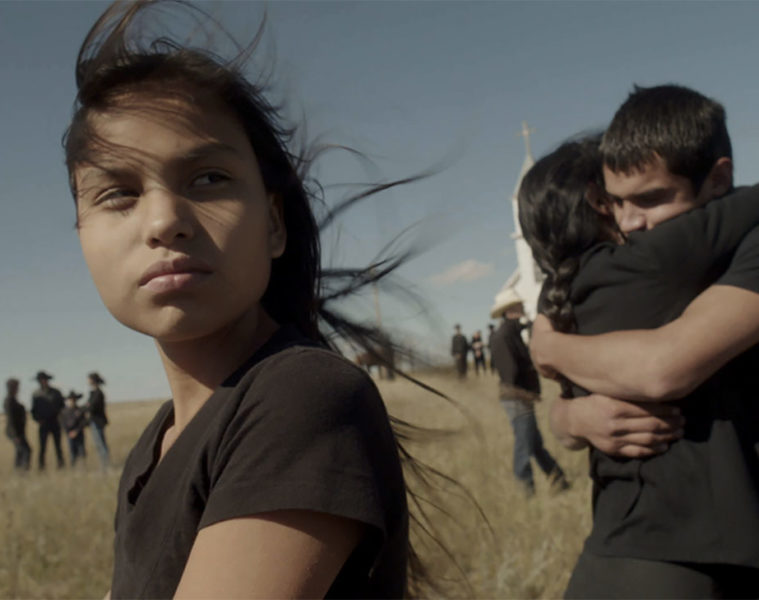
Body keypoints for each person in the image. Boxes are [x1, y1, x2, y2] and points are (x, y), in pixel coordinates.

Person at [62, 1, 435, 597]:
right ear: (80, 233)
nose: (163, 221)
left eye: (208, 179)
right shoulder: (156, 445)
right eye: (118, 193)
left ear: (274, 223)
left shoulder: (300, 396)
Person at [518, 86, 759, 596]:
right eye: (615, 203)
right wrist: (573, 417)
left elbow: (663, 367)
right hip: (658, 549)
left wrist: (551, 351)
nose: (629, 222)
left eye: (649, 199)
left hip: (663, 553)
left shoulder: (570, 289)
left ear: (718, 179)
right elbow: (571, 421)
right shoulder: (644, 263)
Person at [490, 292, 568, 496]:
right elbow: (510, 372)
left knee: (534, 444)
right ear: (510, 311)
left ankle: (558, 479)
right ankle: (527, 491)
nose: (523, 309)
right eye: (519, 307)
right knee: (525, 446)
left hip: (520, 396)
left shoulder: (512, 333)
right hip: (517, 397)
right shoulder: (504, 336)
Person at [31, 370, 65, 470]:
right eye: (40, 380)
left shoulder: (56, 392)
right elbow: (33, 410)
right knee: (42, 447)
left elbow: (62, 407)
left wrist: (60, 417)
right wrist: (37, 419)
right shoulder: (36, 394)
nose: (43, 381)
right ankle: (41, 467)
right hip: (43, 423)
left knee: (58, 446)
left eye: (44, 379)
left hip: (55, 422)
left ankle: (61, 466)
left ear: (47, 380)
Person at [4, 378, 31, 471]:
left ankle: (19, 471)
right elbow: (10, 420)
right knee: (25, 450)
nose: (18, 389)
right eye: (16, 387)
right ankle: (23, 471)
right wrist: (15, 435)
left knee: (20, 451)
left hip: (19, 432)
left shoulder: (13, 400)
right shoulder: (9, 401)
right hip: (15, 433)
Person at [85, 371, 109, 469]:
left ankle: (105, 465)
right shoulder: (94, 393)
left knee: (101, 444)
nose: (88, 381)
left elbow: (92, 407)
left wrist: (88, 406)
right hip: (95, 421)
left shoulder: (98, 393)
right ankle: (104, 464)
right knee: (99, 444)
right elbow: (88, 406)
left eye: (89, 379)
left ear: (93, 380)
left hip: (97, 421)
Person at [61, 390, 87, 467]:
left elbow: (83, 422)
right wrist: (68, 432)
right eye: (71, 399)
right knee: (72, 452)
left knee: (81, 451)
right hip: (69, 434)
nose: (72, 401)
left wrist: (76, 431)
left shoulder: (80, 410)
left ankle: (83, 467)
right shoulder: (64, 411)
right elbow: (63, 423)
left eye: (74, 399)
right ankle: (73, 467)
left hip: (79, 434)